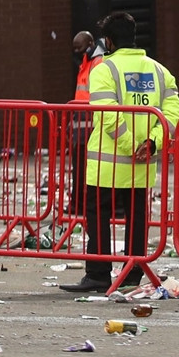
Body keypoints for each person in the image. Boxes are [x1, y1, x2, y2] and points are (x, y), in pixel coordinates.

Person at [61, 11, 179, 294]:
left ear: (109, 41)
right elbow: (173, 112)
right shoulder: (159, 71)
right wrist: (151, 144)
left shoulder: (104, 69)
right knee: (137, 219)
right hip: (141, 166)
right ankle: (132, 273)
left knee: (99, 216)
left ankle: (99, 274)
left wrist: (130, 147)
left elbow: (107, 115)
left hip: (107, 165)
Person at [66, 31, 104, 218]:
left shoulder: (98, 63)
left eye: (80, 48)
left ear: (90, 43)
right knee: (79, 169)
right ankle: (78, 204)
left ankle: (83, 204)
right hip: (81, 126)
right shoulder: (85, 64)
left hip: (92, 126)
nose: (78, 52)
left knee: (88, 170)